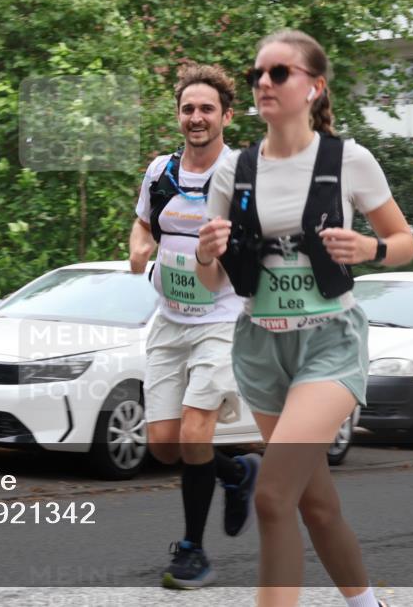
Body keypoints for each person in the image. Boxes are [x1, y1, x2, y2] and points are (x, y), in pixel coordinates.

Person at [198, 30, 413, 607]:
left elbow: (403, 240)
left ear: (314, 86)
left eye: (278, 73)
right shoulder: (233, 171)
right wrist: (206, 254)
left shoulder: (349, 159)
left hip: (330, 342)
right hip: (260, 347)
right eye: (256, 75)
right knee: (314, 503)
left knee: (271, 497)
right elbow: (211, 283)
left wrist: (372, 250)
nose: (263, 83)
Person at [130, 63, 261, 590]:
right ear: (179, 116)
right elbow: (144, 222)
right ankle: (236, 473)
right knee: (164, 444)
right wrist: (141, 247)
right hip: (168, 320)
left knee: (194, 431)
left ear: (226, 115)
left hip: (222, 321)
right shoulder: (160, 172)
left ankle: (192, 550)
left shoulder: (240, 175)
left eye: (207, 108)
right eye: (188, 109)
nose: (196, 117)